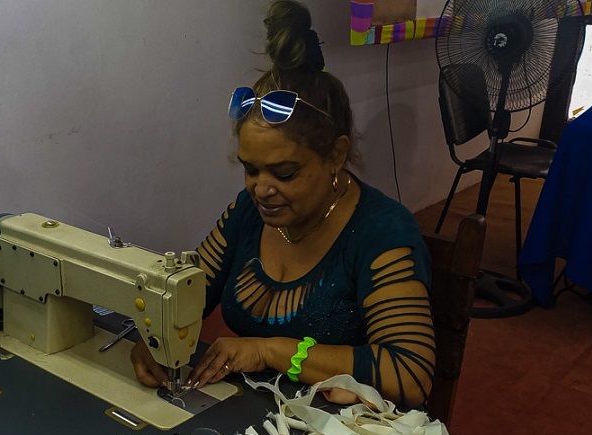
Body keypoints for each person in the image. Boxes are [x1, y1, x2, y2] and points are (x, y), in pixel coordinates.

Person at [132, 0, 435, 408]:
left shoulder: (381, 232)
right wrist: (153, 339)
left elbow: (410, 372)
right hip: (258, 411)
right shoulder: (248, 213)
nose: (261, 189)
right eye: (250, 169)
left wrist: (269, 351)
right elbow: (190, 292)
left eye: (284, 173)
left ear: (336, 155)